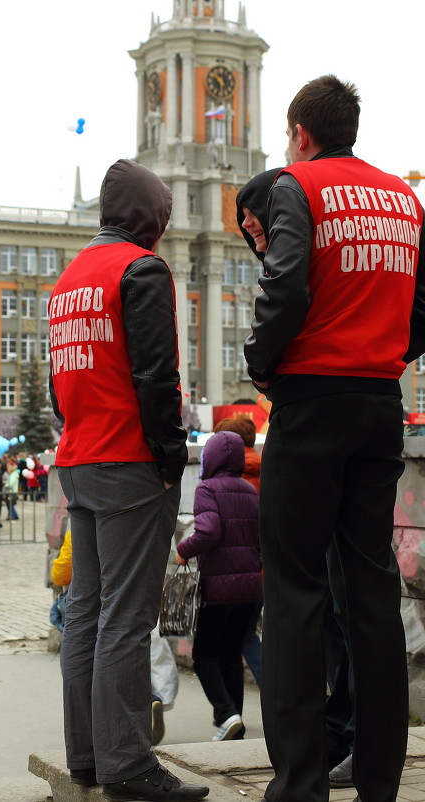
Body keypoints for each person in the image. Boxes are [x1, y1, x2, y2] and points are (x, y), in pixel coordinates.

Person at [243, 74, 425, 802]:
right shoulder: (405, 199)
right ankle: (381, 778)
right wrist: (387, 354)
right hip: (380, 403)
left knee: (294, 591)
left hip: (311, 399)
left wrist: (265, 366)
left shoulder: (297, 186)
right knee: (373, 588)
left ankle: (300, 783)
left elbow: (284, 286)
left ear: (301, 133)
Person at [48, 158, 208, 802]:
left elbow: (59, 386)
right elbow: (156, 377)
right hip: (129, 461)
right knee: (127, 615)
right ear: (150, 216)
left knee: (84, 611)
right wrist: (170, 459)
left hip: (79, 458)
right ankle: (128, 762)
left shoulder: (70, 279)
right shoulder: (140, 270)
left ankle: (86, 754)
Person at [236, 167, 355, 773]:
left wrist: (263, 365)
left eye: (257, 228)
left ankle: (315, 755)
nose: (256, 241)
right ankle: (354, 743)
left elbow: (285, 296)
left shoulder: (299, 223)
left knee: (319, 596)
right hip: (360, 405)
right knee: (348, 597)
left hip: (314, 413)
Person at [50, 530, 179, 745]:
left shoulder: (80, 528)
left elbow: (61, 573)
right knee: (123, 652)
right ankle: (149, 699)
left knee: (86, 658)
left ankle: (90, 736)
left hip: (87, 603)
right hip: (124, 598)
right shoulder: (130, 526)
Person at [175, 431, 262, 741]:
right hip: (251, 588)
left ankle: (226, 714)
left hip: (220, 587)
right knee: (230, 654)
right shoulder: (250, 491)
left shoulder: (207, 489)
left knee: (204, 655)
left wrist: (183, 550)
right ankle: (231, 726)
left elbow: (209, 532)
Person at [213, 413, 263, 685]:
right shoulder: (268, 468)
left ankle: (229, 711)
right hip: (266, 566)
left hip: (235, 571)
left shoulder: (228, 478)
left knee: (236, 637)